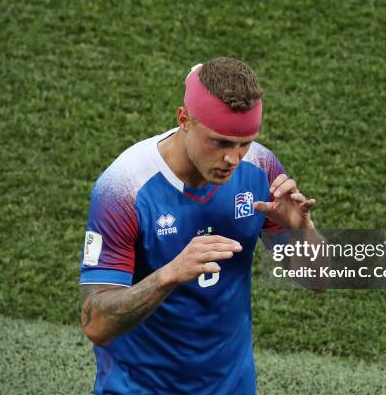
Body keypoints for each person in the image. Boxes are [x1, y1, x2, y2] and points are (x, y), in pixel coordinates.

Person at [79, 57, 320, 394]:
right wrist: (169, 274)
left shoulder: (260, 167)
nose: (233, 159)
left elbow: (320, 281)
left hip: (232, 386)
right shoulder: (123, 189)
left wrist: (301, 230)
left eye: (244, 143)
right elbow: (96, 322)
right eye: (220, 142)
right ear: (184, 120)